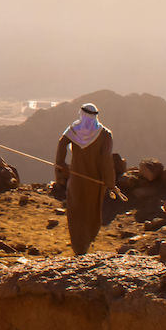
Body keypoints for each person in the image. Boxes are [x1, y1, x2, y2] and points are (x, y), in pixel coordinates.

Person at [54, 102, 116, 256]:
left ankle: (78, 246)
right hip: (95, 182)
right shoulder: (105, 134)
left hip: (76, 180)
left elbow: (61, 145)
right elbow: (106, 160)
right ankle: (86, 242)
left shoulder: (74, 130)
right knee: (91, 211)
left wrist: (62, 168)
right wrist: (110, 182)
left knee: (75, 211)